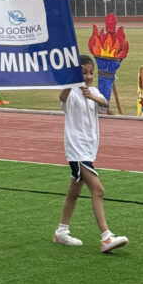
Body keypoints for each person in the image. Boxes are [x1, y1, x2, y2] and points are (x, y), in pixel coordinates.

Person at [53, 54, 128, 253]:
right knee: (98, 190)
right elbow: (62, 98)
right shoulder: (70, 94)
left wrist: (92, 95)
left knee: (74, 192)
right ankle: (106, 236)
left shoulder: (92, 91)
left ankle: (61, 231)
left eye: (90, 73)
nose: (87, 76)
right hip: (77, 150)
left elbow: (104, 105)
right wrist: (71, 81)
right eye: (83, 72)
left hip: (89, 148)